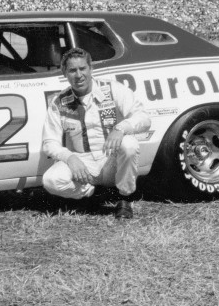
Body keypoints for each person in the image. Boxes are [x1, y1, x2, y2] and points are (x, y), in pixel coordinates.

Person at [42, 48, 151, 219]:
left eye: (83, 68)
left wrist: (120, 128)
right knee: (51, 180)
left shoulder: (113, 89)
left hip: (110, 160)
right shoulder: (59, 102)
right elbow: (49, 142)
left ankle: (124, 198)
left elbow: (143, 118)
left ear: (91, 68)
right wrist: (70, 158)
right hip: (82, 164)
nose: (79, 75)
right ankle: (91, 193)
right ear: (64, 73)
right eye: (72, 70)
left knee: (129, 144)